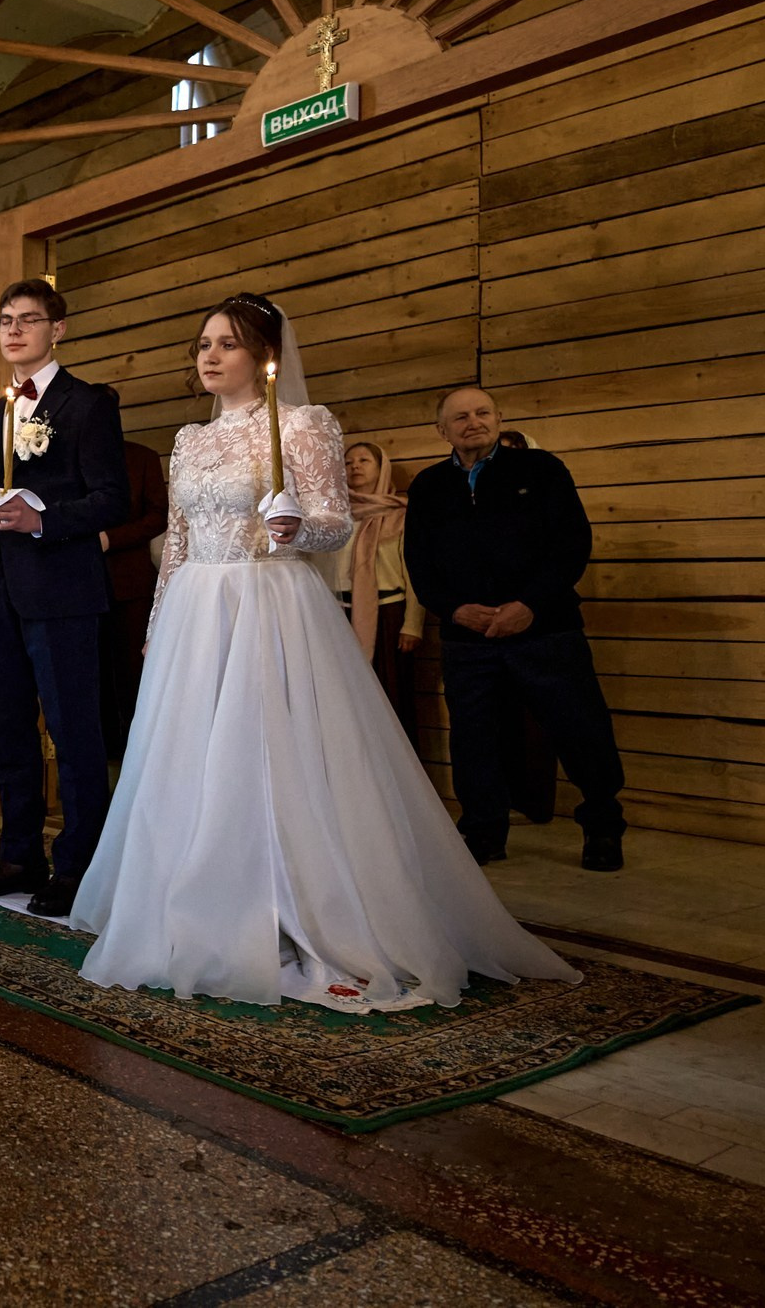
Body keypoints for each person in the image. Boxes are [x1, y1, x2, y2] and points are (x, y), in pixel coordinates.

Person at [68, 295, 578, 1012]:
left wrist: (295, 526)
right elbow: (177, 545)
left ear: (262, 356)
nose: (209, 356)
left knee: (271, 754)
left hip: (270, 603)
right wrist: (159, 623)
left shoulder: (302, 423)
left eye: (227, 344)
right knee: (186, 757)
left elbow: (334, 522)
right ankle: (196, 897)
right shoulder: (187, 439)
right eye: (203, 344)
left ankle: (291, 902)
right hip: (195, 613)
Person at [0, 279, 128, 919]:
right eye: (4, 321)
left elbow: (112, 498)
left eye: (28, 319)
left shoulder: (89, 404)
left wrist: (43, 515)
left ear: (59, 329)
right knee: (10, 729)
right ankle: (20, 851)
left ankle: (80, 863)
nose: (13, 330)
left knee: (75, 731)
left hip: (63, 590)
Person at [406, 386, 627, 873]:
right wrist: (453, 608)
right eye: (460, 417)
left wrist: (529, 604)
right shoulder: (427, 486)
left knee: (579, 729)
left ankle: (602, 826)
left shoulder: (542, 470)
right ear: (442, 430)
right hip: (468, 638)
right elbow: (419, 564)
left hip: (545, 629)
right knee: (474, 738)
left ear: (499, 419)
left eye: (483, 412)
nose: (473, 422)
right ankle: (483, 831)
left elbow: (572, 545)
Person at [319, 441, 425, 738]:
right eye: (349, 462)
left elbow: (416, 574)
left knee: (391, 696)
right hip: (339, 615)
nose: (355, 466)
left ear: (381, 469)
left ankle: (399, 777)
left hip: (389, 616)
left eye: (364, 460)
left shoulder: (400, 515)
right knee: (346, 698)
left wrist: (413, 625)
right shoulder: (334, 517)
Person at [96, 436, 169, 766]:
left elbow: (158, 516)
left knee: (133, 677)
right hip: (81, 586)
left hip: (130, 583)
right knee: (93, 680)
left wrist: (112, 539)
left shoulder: (142, 457)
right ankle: (103, 759)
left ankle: (138, 759)